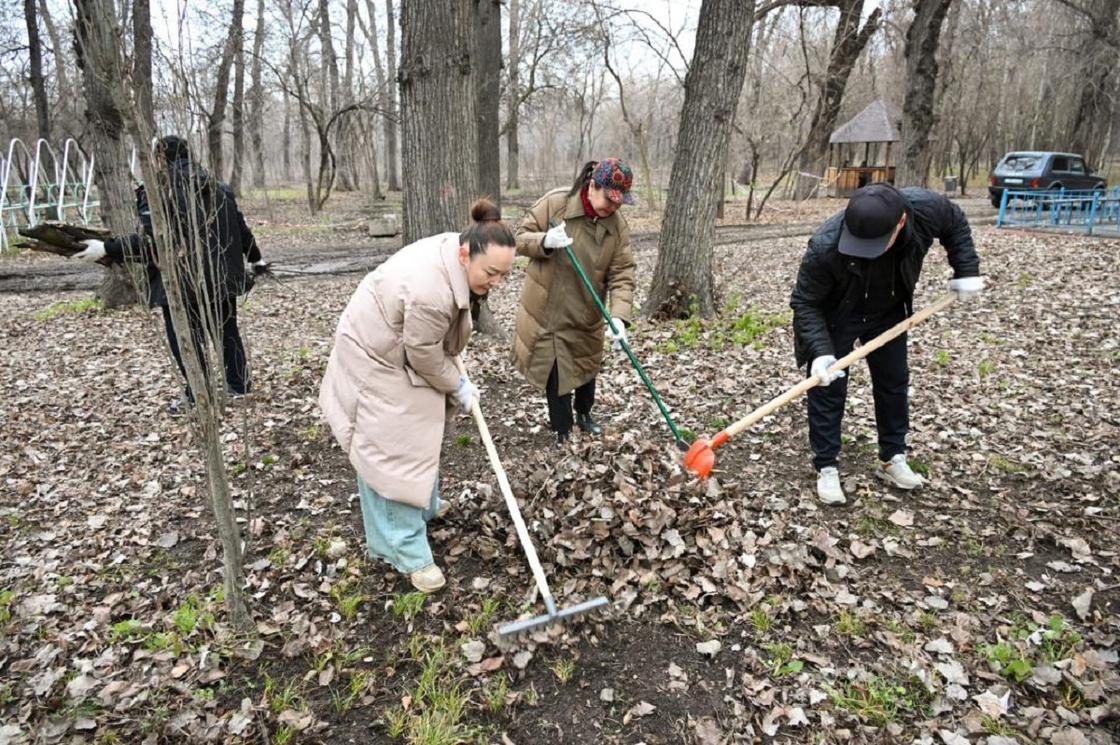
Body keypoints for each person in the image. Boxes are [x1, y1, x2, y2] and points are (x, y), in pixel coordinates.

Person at [318, 199, 517, 593]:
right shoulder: (430, 291)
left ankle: (423, 504)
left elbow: (428, 344)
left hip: (398, 348)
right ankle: (401, 548)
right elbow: (423, 354)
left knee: (422, 433)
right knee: (393, 453)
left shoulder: (456, 253)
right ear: (465, 254)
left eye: (503, 274)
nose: (496, 282)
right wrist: (457, 385)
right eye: (490, 273)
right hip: (376, 360)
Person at [789, 182, 984, 505]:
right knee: (826, 387)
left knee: (893, 382)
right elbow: (805, 302)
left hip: (890, 309)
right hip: (840, 313)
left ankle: (892, 457)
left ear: (901, 222)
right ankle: (826, 466)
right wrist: (820, 352)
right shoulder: (825, 245)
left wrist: (966, 269)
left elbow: (955, 223)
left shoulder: (925, 211)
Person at [72, 136, 265, 413]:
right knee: (227, 331)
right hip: (220, 279)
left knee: (184, 337)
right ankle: (239, 388)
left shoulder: (159, 192)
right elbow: (241, 230)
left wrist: (107, 248)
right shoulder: (219, 187)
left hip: (180, 281)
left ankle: (199, 396)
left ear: (160, 159)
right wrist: (257, 260)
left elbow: (153, 241)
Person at [512, 158, 637, 443]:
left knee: (585, 368)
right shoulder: (556, 204)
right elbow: (519, 238)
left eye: (620, 203)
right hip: (549, 311)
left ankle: (584, 414)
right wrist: (544, 241)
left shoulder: (617, 227)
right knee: (556, 376)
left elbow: (623, 273)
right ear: (593, 185)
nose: (613, 208)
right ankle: (563, 430)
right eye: (609, 200)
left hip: (587, 311)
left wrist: (618, 315)